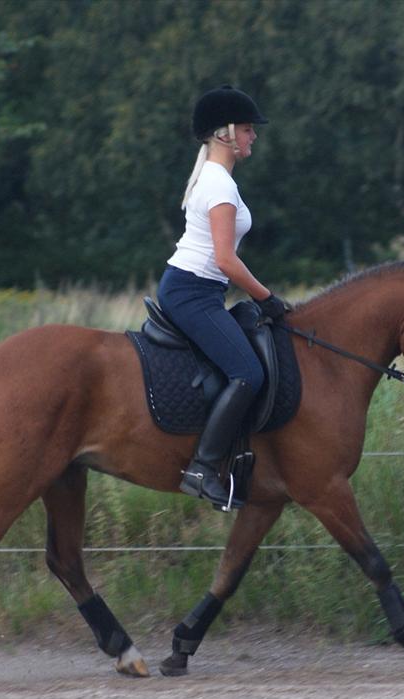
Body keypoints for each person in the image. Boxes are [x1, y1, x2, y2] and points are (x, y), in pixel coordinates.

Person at [157, 84, 291, 510]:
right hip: (191, 291)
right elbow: (225, 259)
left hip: (201, 289)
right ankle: (201, 469)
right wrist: (267, 297)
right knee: (247, 373)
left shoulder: (218, 180)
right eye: (248, 129)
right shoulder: (219, 185)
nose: (254, 136)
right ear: (225, 133)